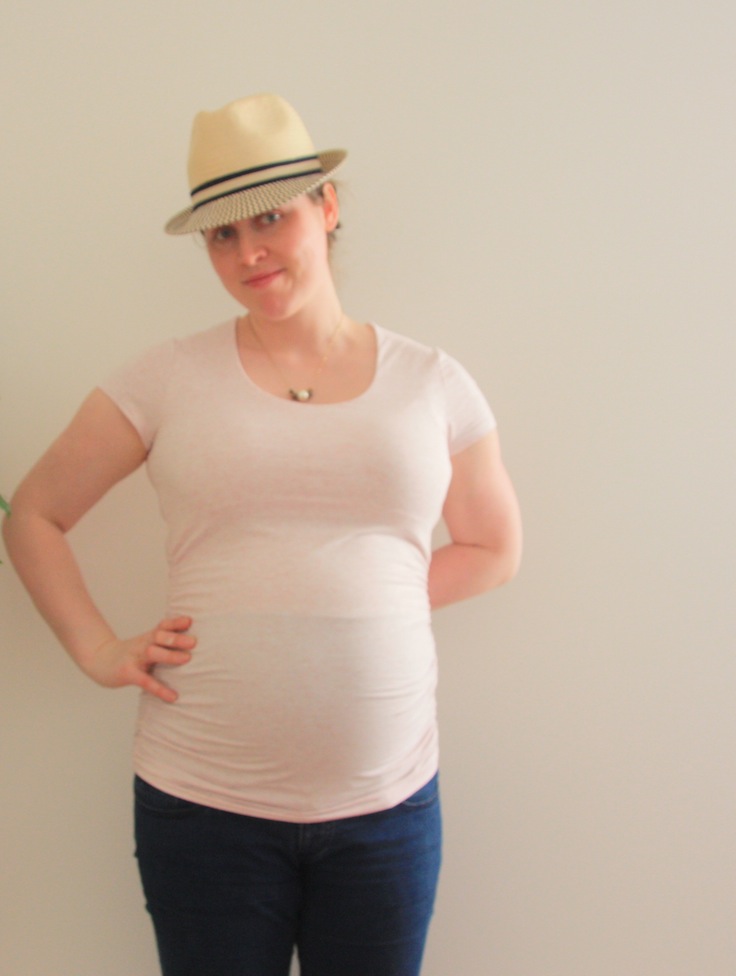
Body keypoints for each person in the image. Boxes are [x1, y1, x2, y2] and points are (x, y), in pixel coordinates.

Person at [1, 93, 522, 976]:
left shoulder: (432, 382)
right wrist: (96, 648)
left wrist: (379, 599)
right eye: (222, 235)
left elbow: (493, 548)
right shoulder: (165, 378)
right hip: (203, 806)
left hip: (385, 809)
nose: (248, 253)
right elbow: (35, 513)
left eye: (270, 219)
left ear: (328, 206)